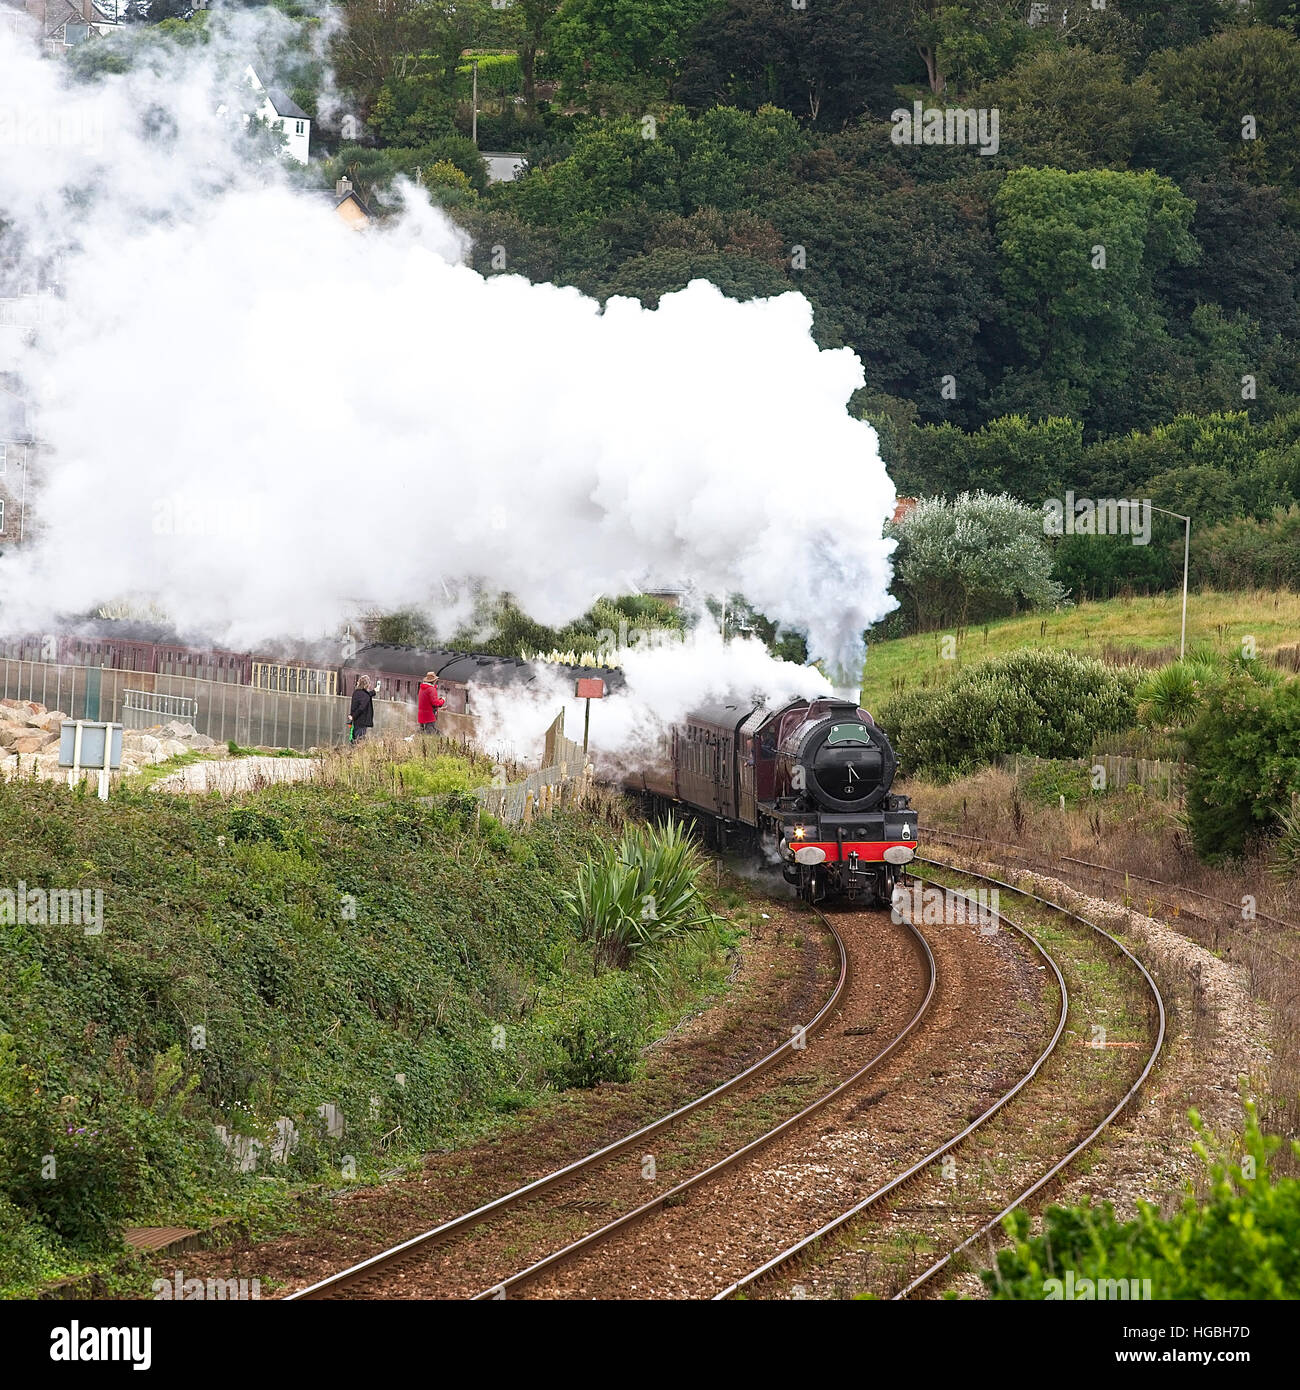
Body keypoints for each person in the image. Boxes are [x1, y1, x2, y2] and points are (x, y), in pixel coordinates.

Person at [348, 675, 376, 743]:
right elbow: (361, 708)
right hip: (362, 722)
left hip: (356, 722)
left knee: (354, 739)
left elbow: (366, 695)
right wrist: (353, 716)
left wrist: (374, 692)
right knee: (359, 742)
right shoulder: (365, 695)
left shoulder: (356, 692)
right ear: (366, 684)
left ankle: (353, 752)